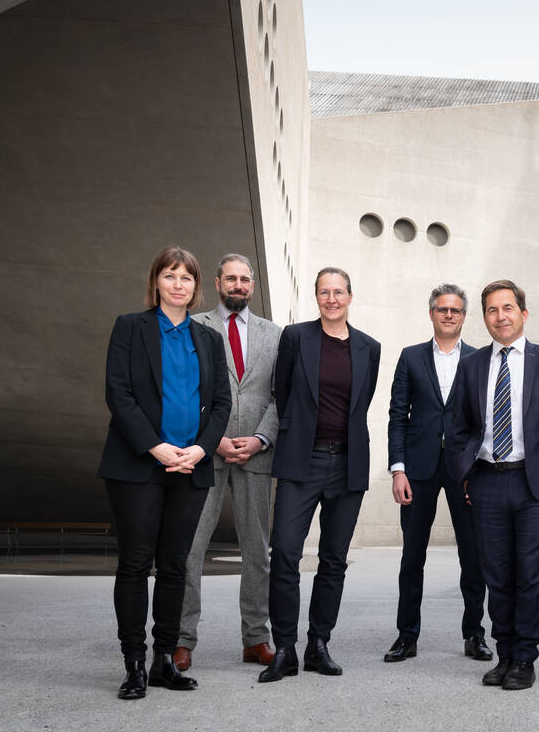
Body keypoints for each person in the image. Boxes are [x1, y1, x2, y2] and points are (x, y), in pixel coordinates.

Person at [97, 245, 231, 700]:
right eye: (170, 275)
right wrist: (156, 447)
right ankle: (133, 664)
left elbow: (221, 404)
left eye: (186, 277)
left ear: (196, 287)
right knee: (135, 564)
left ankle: (163, 661)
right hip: (137, 465)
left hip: (190, 467)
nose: (178, 284)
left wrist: (199, 449)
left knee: (176, 565)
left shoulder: (208, 339)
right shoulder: (129, 327)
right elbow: (118, 393)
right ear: (156, 281)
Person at [450, 279, 539, 691]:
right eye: (491, 310)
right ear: (484, 317)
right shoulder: (471, 365)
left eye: (507, 308)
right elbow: (459, 427)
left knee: (531, 574)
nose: (500, 316)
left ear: (523, 313)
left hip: (533, 484)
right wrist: (466, 474)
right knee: (497, 574)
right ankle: (504, 654)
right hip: (487, 481)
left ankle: (524, 657)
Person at [258, 267, 381, 682]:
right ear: (316, 297)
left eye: (339, 292)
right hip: (301, 460)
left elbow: (361, 401)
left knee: (333, 559)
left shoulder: (369, 347)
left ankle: (318, 644)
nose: (332, 299)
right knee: (285, 553)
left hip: (347, 463)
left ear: (350, 296)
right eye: (324, 292)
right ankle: (285, 648)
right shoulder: (295, 337)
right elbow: (282, 391)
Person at [174, 254, 282, 671]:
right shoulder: (194, 326)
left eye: (245, 279)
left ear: (252, 285)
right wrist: (212, 440)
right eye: (231, 278)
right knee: (190, 549)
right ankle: (182, 640)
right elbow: (185, 390)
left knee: (257, 552)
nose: (238, 285)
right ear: (217, 283)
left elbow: (281, 394)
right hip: (205, 454)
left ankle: (256, 639)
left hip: (257, 454)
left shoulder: (274, 334)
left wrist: (259, 439)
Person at [383, 284, 492, 664]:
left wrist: (478, 470)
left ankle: (475, 634)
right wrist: (398, 469)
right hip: (418, 470)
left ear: (464, 316)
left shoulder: (479, 359)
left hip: (465, 471)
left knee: (473, 558)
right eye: (442, 309)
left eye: (455, 310)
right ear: (432, 313)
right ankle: (406, 636)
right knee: (412, 557)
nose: (448, 315)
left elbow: (483, 422)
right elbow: (397, 416)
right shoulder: (410, 357)